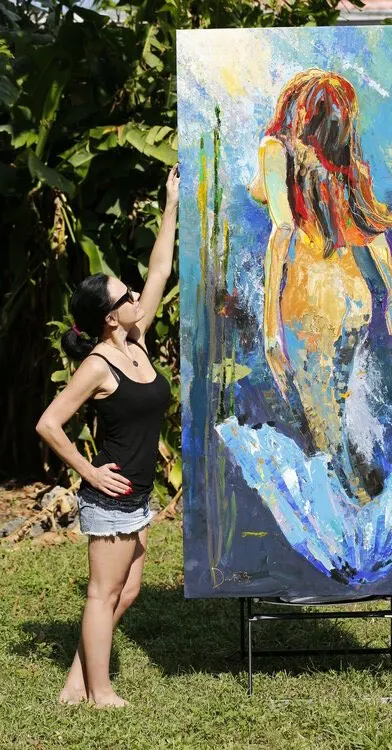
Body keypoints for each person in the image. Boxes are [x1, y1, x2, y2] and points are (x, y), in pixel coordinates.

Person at [35, 164, 180, 708]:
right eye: (125, 297)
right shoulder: (98, 365)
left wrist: (171, 203)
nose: (136, 295)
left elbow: (159, 268)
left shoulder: (135, 339)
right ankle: (100, 692)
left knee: (128, 590)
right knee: (103, 593)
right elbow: (48, 423)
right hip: (111, 496)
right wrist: (89, 472)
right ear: (109, 319)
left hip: (136, 495)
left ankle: (77, 680)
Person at [247, 69, 392, 500]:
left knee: (323, 426)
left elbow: (282, 229)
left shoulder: (275, 148)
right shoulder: (342, 165)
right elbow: (371, 233)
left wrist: (270, 329)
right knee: (337, 410)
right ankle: (363, 499)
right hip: (355, 300)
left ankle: (354, 511)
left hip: (312, 301)